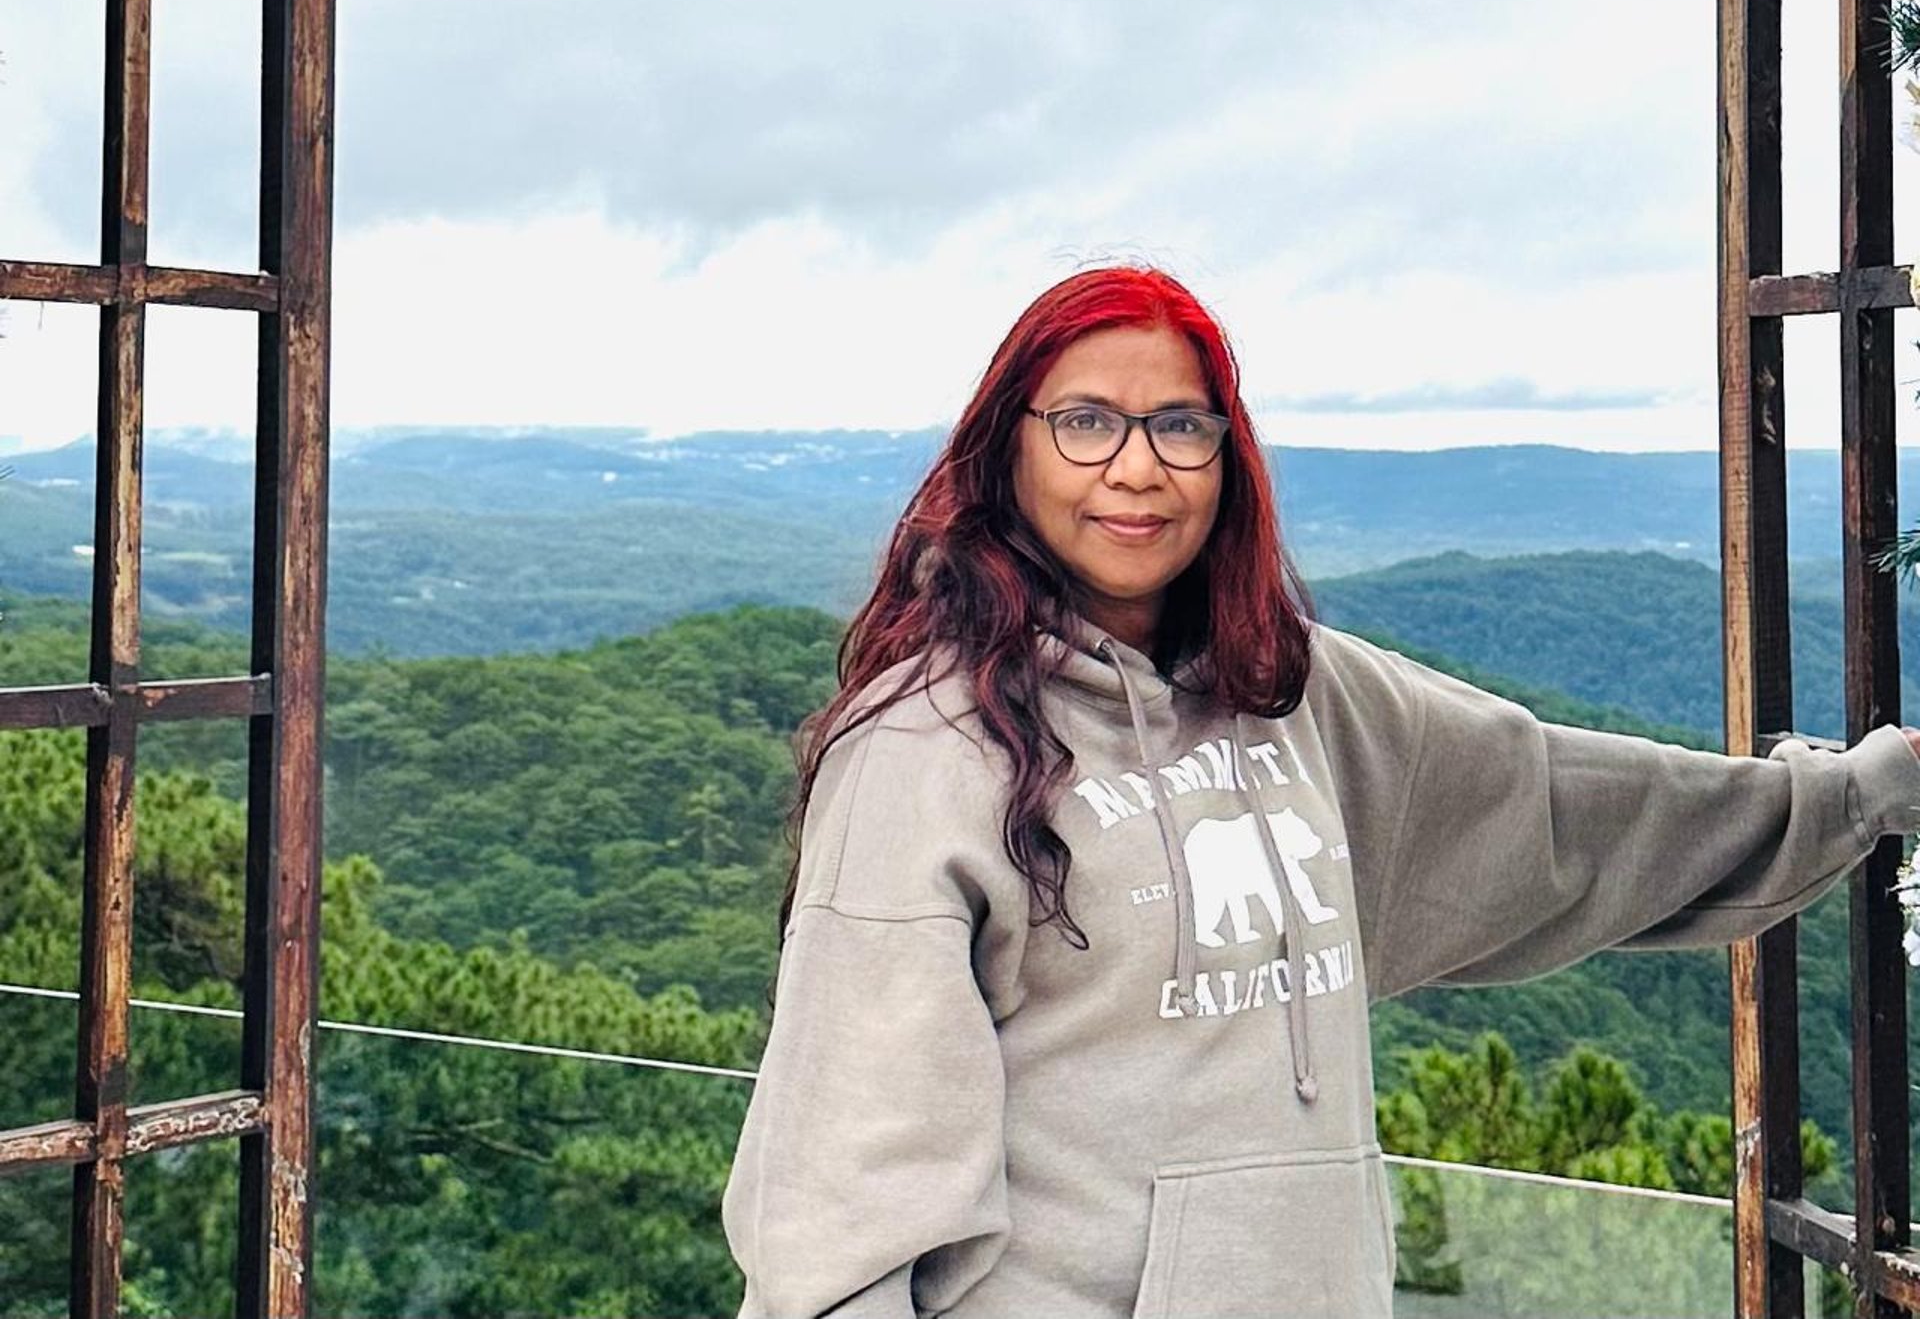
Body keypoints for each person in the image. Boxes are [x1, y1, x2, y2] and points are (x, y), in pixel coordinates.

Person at [721, 265, 1920, 1319]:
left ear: (1226, 457)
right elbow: (841, 1197)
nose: (1136, 466)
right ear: (1009, 449)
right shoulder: (923, 752)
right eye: (1086, 421)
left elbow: (1567, 804)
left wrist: (1859, 794)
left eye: (1179, 424)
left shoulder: (1295, 693)